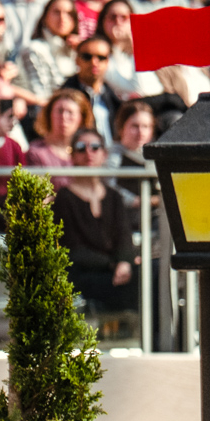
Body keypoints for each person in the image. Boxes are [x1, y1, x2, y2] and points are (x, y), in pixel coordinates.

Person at [53, 130, 139, 315]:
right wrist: (113, 264)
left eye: (95, 147)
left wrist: (124, 262)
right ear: (73, 155)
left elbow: (124, 235)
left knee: (150, 276)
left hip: (115, 271)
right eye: (81, 148)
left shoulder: (114, 196)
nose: (88, 153)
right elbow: (72, 248)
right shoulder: (64, 198)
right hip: (83, 275)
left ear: (104, 154)